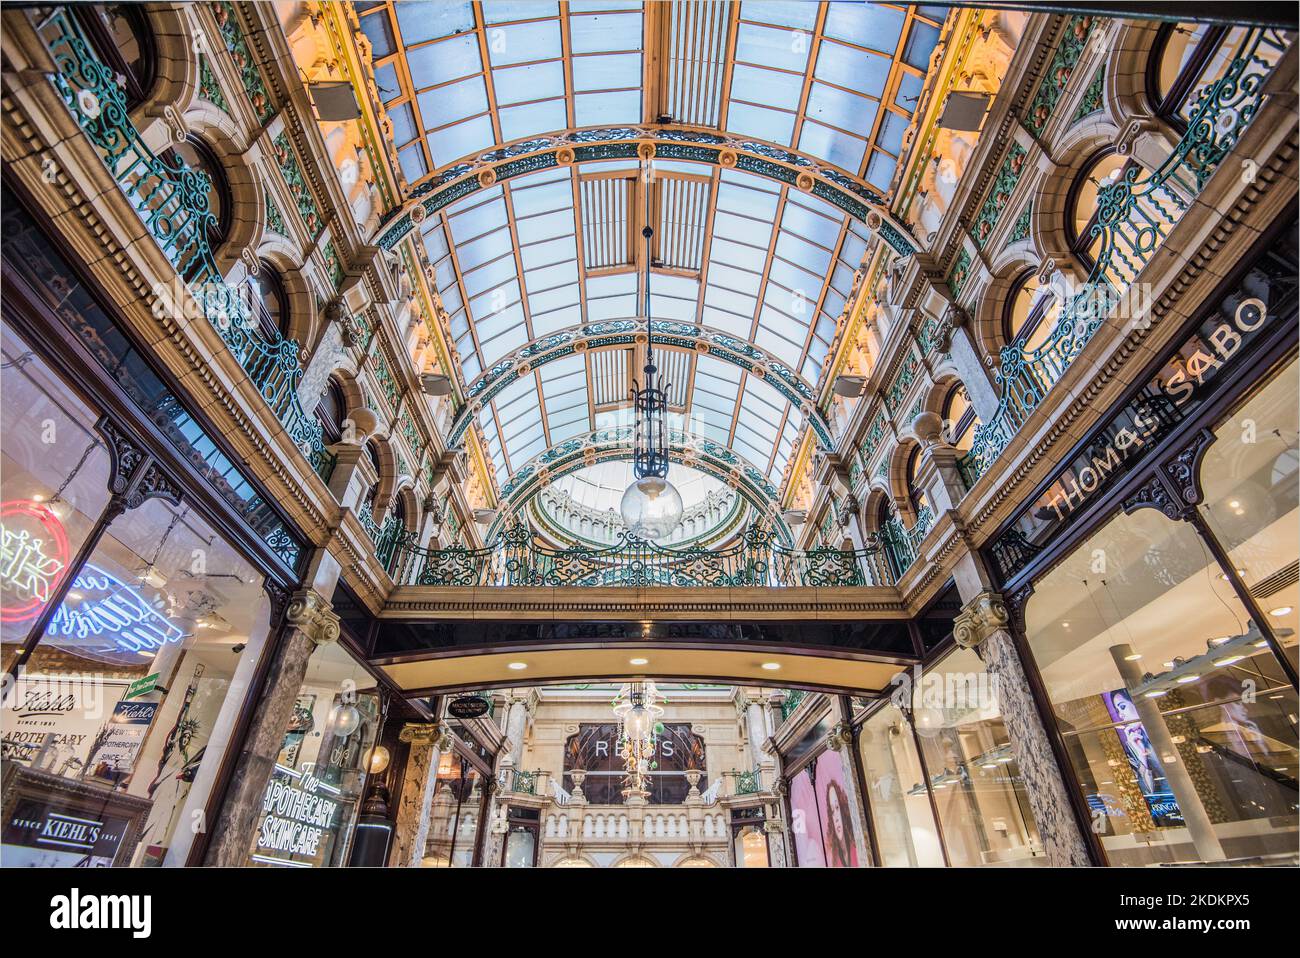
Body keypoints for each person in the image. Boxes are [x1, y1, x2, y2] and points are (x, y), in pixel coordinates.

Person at [824, 778, 858, 867]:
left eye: (837, 808)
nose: (836, 818)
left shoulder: (856, 844)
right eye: (832, 811)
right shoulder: (835, 858)